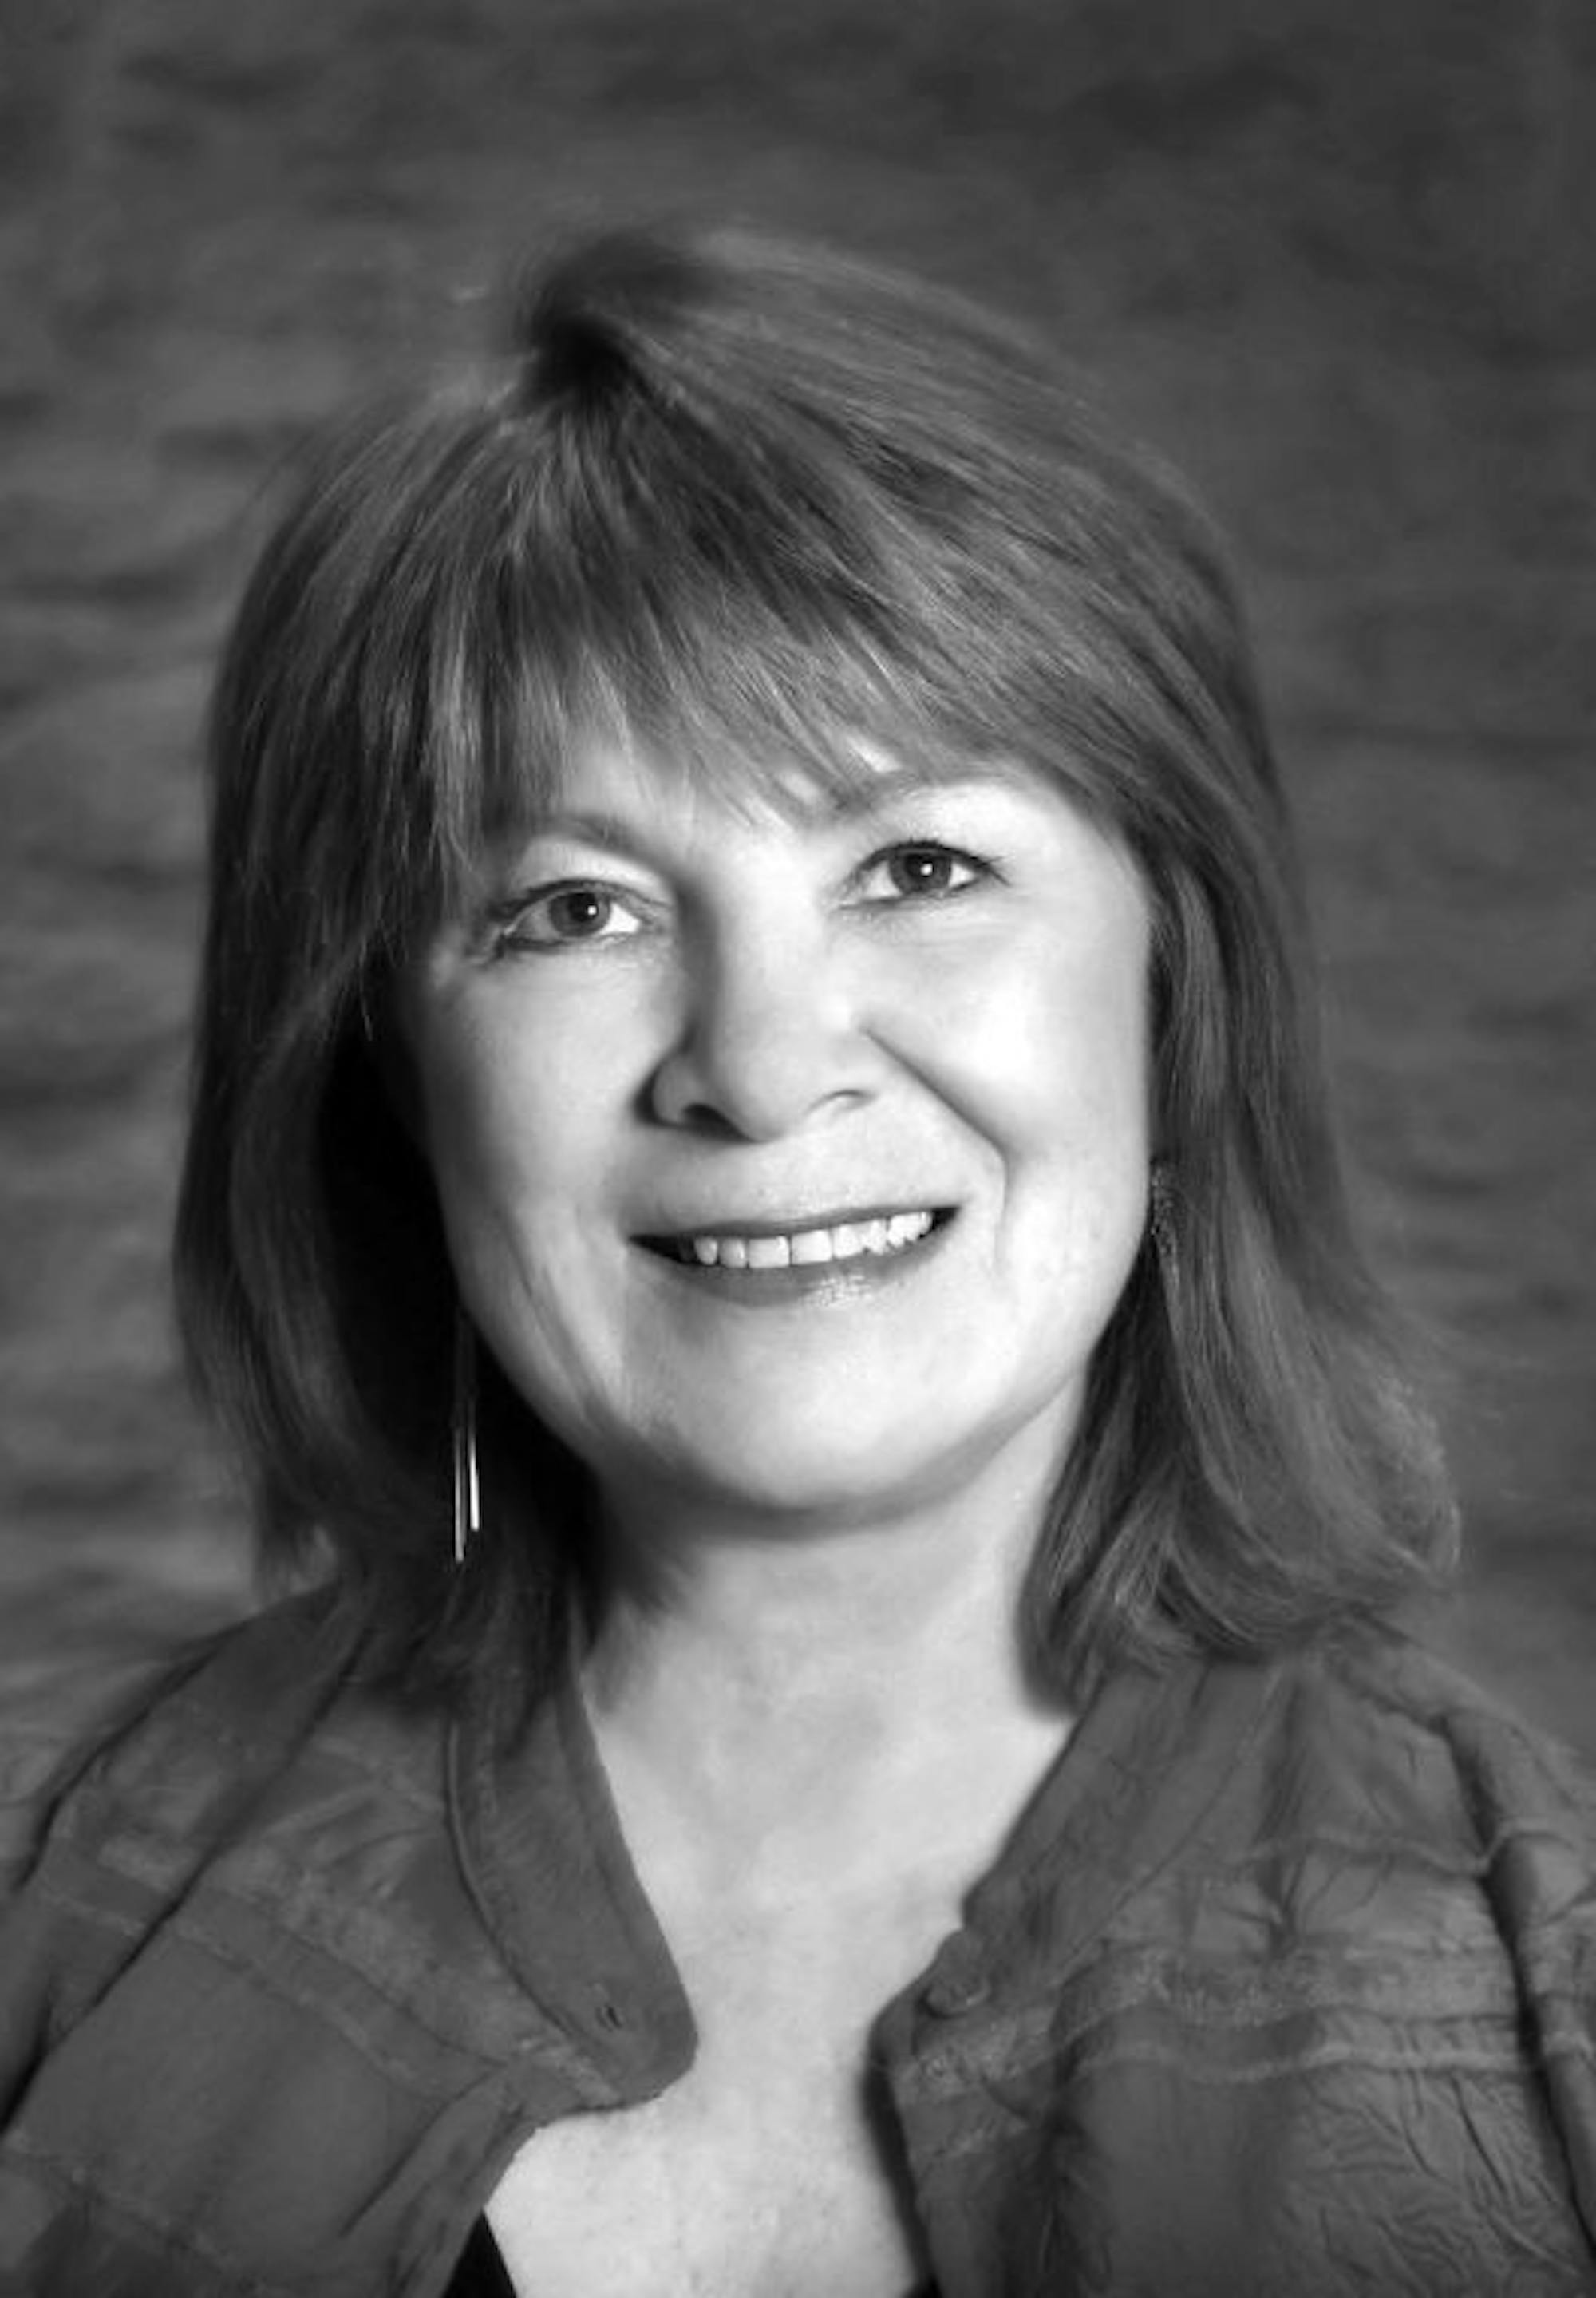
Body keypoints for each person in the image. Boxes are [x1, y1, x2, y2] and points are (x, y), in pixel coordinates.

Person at [1, 223, 1592, 2298]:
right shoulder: (45, 1897)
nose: (758, 1070)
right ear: (391, 1074)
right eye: (574, 909)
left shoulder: (1549, 1995)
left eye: (918, 866)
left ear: (1174, 998)